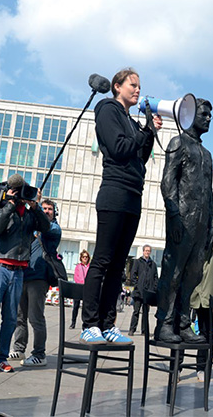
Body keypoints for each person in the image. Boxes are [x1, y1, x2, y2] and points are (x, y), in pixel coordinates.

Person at [80, 68, 161, 345]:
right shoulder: (108, 109)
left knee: (117, 266)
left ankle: (108, 323)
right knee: (102, 260)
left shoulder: (129, 119)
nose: (137, 90)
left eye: (139, 86)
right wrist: (143, 133)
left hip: (132, 196)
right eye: (133, 85)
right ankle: (89, 323)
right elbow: (118, 148)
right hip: (114, 192)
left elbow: (140, 154)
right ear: (117, 86)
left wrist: (149, 132)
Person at [0, 174, 50, 376]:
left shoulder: (28, 213)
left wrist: (36, 206)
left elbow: (46, 227)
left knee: (10, 319)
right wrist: (8, 203)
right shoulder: (2, 205)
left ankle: (0, 359)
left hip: (18, 271)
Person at [155, 98, 213, 343]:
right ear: (191, 115)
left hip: (201, 225)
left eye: (211, 115)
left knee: (193, 274)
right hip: (182, 220)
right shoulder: (178, 143)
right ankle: (165, 323)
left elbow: (209, 193)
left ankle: (182, 322)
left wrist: (212, 223)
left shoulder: (207, 154)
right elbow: (168, 182)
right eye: (204, 114)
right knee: (173, 272)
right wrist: (174, 216)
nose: (209, 118)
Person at [10, 199, 61, 367]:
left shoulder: (53, 228)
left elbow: (44, 225)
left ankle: (39, 353)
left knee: (35, 317)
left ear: (55, 213)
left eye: (50, 209)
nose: (46, 211)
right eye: (44, 208)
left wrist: (36, 206)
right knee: (19, 316)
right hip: (23, 274)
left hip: (39, 278)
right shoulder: (33, 226)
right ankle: (19, 348)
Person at [191, 222, 213, 382]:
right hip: (190, 289)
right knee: (181, 330)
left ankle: (201, 367)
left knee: (207, 332)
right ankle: (176, 367)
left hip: (207, 290)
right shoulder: (193, 233)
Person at [129, 244, 158, 336]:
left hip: (148, 292)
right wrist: (136, 285)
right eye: (146, 250)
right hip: (138, 291)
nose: (147, 252)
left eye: (149, 251)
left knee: (146, 313)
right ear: (143, 251)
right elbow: (133, 274)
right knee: (136, 311)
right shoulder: (138, 262)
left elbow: (155, 278)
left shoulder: (153, 264)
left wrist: (154, 288)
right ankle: (132, 329)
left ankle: (144, 330)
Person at [70, 250, 90, 329]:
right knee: (76, 306)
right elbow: (76, 277)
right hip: (78, 287)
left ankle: (85, 323)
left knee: (85, 307)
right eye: (83, 257)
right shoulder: (78, 266)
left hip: (86, 288)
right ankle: (73, 322)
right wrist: (81, 282)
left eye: (86, 257)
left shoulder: (89, 267)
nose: (85, 258)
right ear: (81, 258)